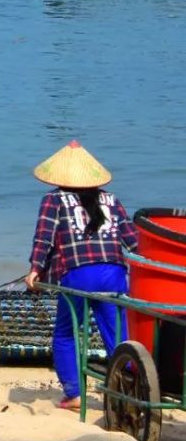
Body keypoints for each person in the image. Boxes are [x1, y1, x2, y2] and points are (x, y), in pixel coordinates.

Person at [25, 140, 138, 411]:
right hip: (114, 272)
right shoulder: (111, 199)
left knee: (66, 332)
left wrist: (35, 270)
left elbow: (44, 238)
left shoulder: (54, 199)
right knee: (119, 336)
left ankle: (74, 394)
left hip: (78, 274)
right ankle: (129, 385)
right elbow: (133, 242)